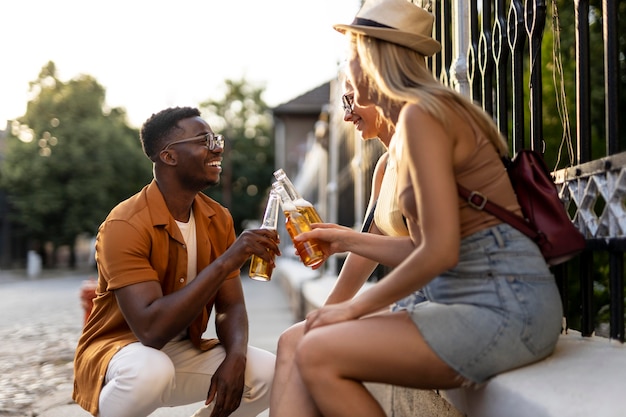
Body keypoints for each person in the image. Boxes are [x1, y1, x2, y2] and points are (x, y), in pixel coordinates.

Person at [288, 1, 564, 416]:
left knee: (317, 352)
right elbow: (430, 246)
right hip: (471, 300)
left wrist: (353, 307)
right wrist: (346, 242)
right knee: (304, 342)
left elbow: (439, 253)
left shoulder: (424, 116)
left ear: (376, 59)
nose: (348, 73)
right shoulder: (409, 129)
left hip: (505, 306)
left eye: (352, 60)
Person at [72, 106, 279, 417]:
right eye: (204, 140)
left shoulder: (217, 217)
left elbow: (230, 306)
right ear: (169, 156)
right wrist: (227, 261)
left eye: (216, 138)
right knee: (151, 371)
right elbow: (151, 331)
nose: (217, 147)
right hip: (119, 354)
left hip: (181, 350)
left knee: (269, 373)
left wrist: (236, 358)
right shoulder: (125, 224)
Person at [269, 77, 417, 416]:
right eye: (343, 105)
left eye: (351, 101)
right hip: (407, 303)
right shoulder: (383, 166)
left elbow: (429, 249)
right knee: (293, 338)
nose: (347, 115)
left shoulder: (417, 154)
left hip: (428, 302)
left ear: (381, 90)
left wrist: (343, 238)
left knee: (309, 348)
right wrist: (326, 311)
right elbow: (367, 246)